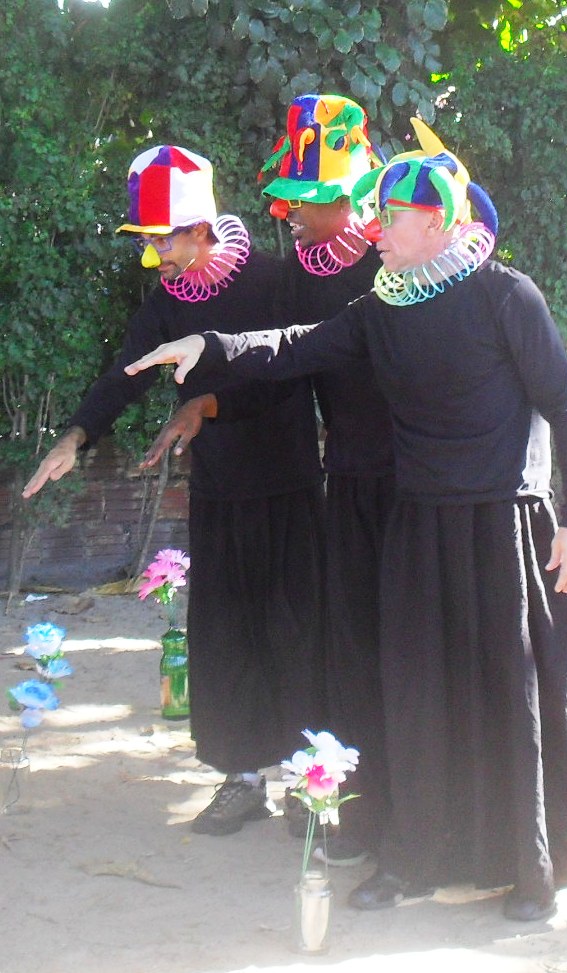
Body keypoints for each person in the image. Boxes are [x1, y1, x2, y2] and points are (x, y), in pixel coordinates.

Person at [125, 132, 567, 921]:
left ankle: (531, 873)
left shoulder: (507, 296)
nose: (374, 230)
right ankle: (414, 856)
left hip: (502, 525)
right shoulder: (383, 307)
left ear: (436, 223)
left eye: (389, 217)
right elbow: (293, 347)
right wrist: (208, 344)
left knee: (508, 694)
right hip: (418, 526)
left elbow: (564, 405)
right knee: (415, 697)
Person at [23, 144, 328, 836]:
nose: (154, 253)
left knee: (297, 628)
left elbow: (290, 373)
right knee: (227, 631)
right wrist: (77, 436)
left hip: (286, 482)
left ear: (200, 229)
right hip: (219, 486)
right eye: (149, 240)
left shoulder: (276, 279)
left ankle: (309, 780)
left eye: (163, 239)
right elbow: (125, 373)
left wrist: (206, 404)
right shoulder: (169, 301)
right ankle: (243, 779)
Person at [146, 95, 396, 866]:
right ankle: (268, 776)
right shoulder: (296, 277)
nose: (286, 211)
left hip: (390, 483)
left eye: (304, 199)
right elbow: (281, 356)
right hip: (328, 482)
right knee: (283, 632)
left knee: (348, 634)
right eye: (285, 198)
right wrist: (206, 398)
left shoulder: (393, 271)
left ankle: (357, 787)